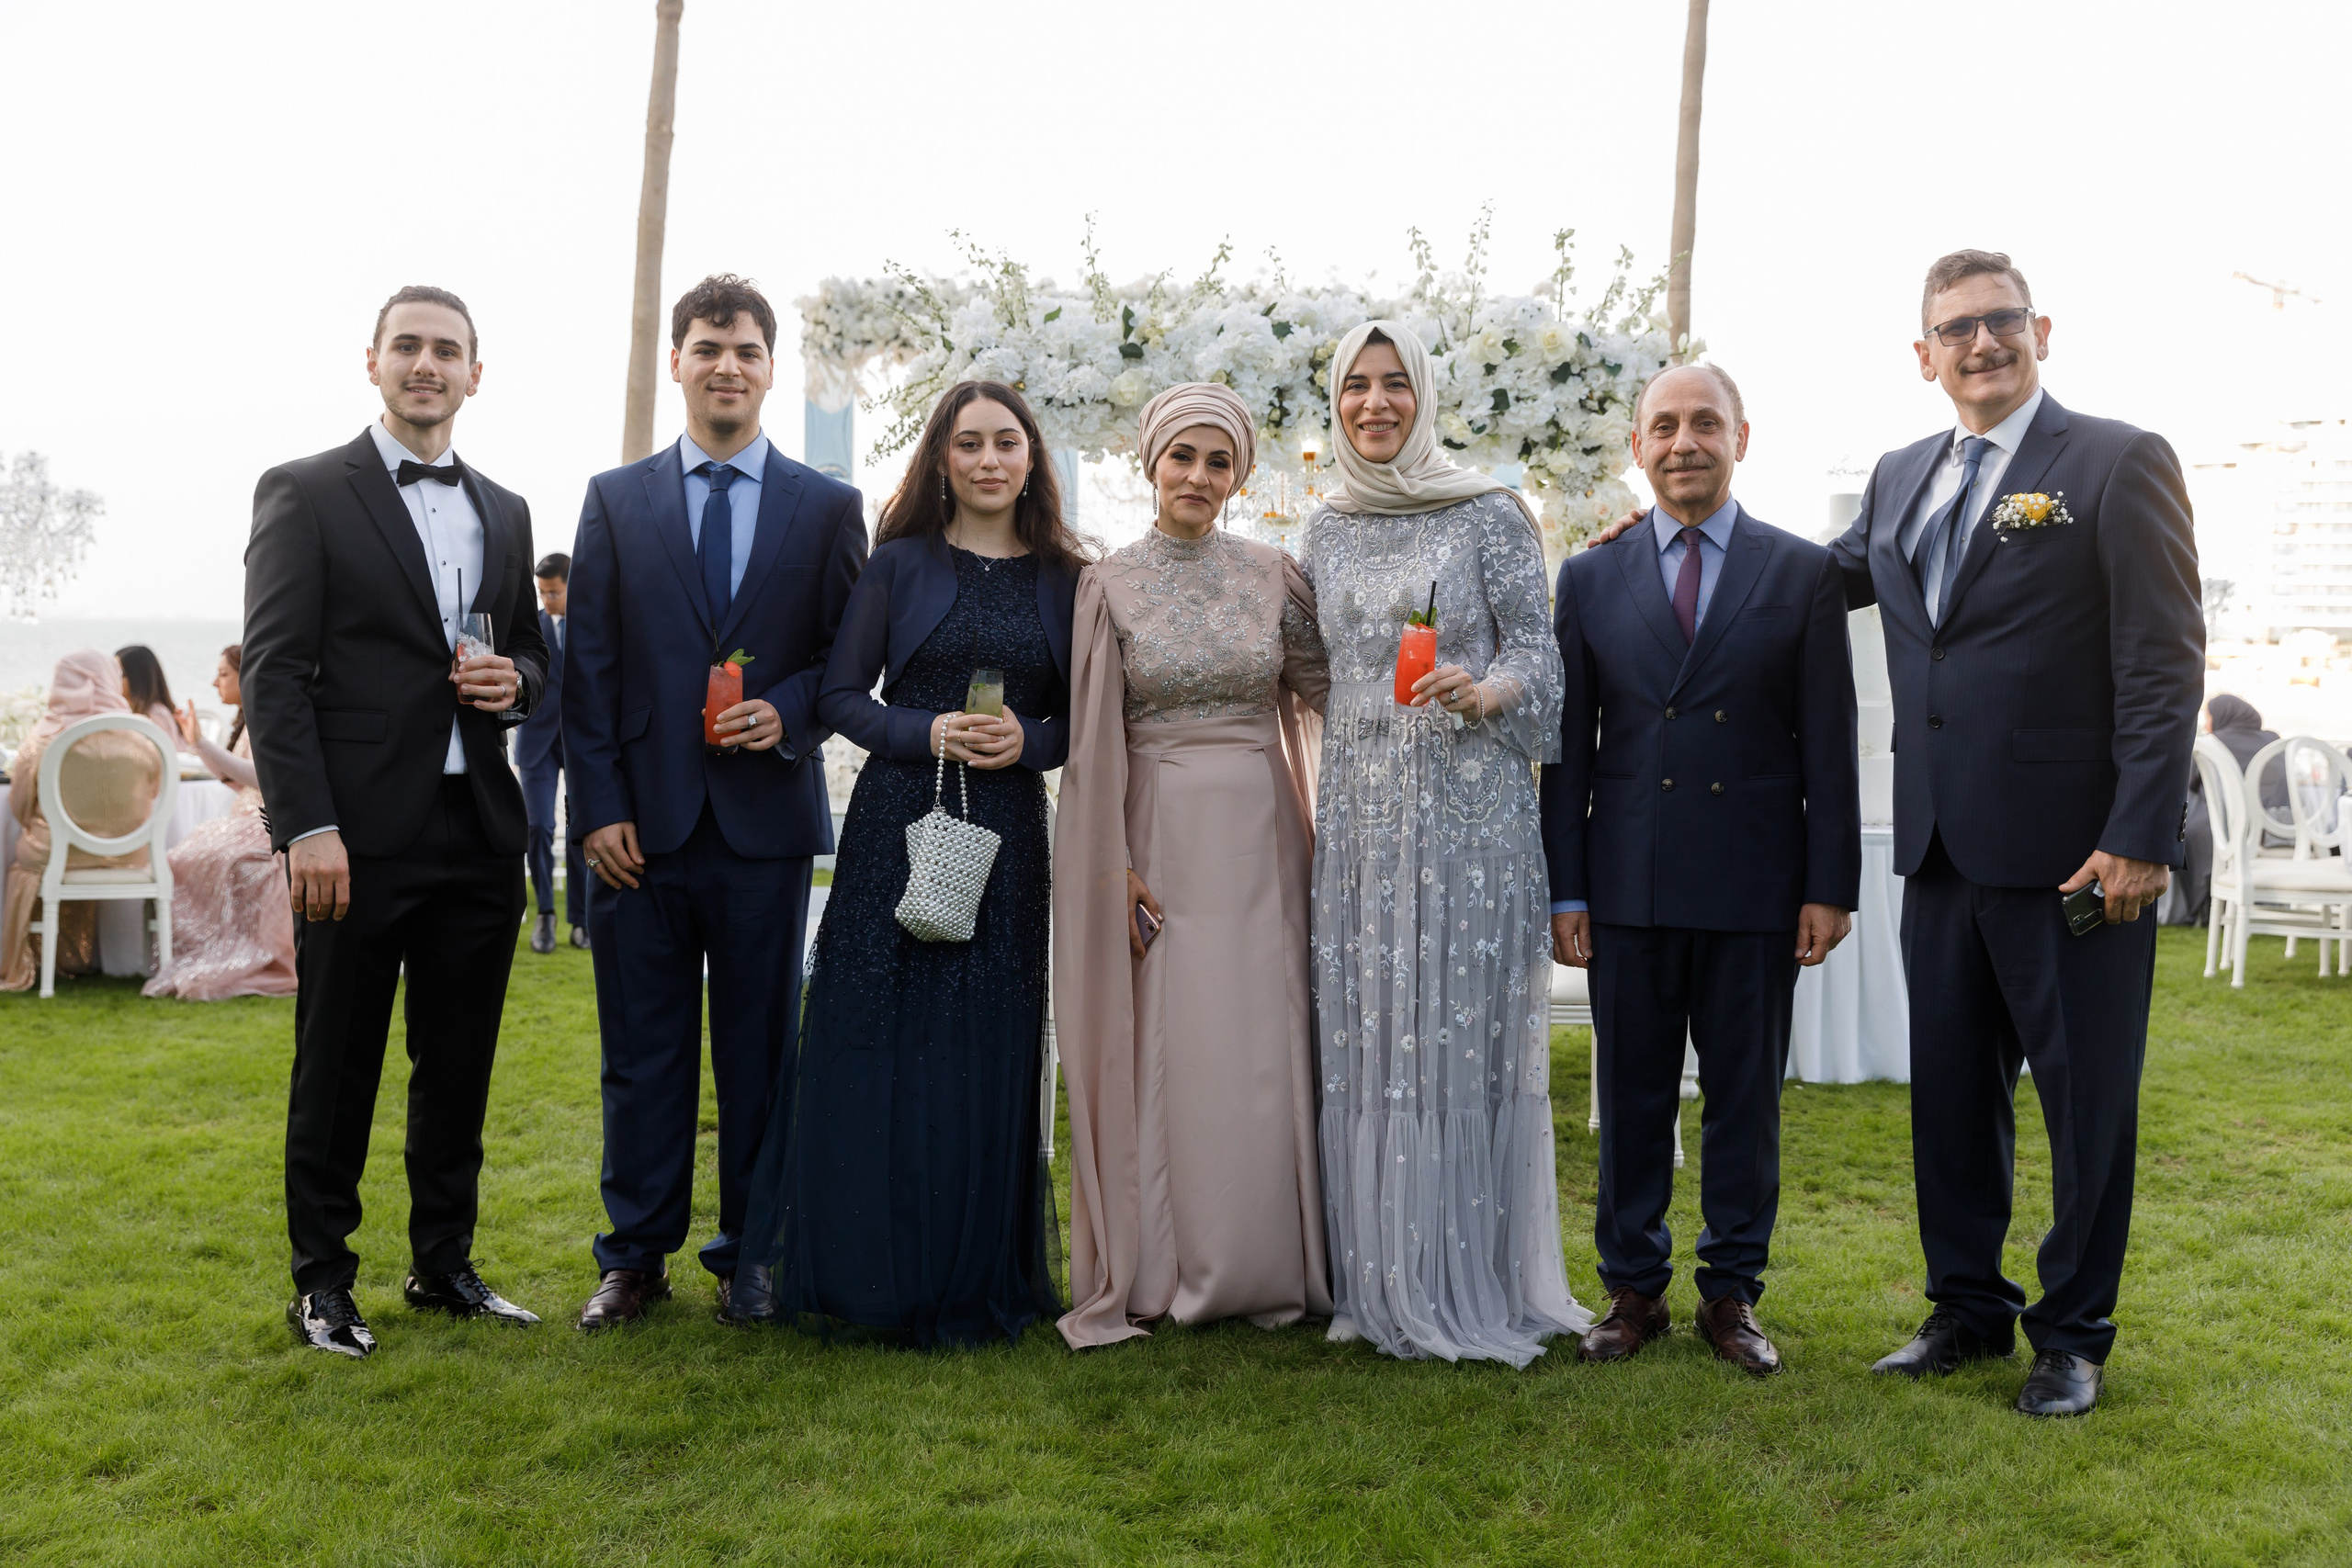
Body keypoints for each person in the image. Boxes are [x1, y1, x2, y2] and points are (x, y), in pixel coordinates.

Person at [726, 380, 1076, 1348]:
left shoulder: (1066, 576)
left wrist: (1031, 742)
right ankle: (866, 1270)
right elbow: (841, 698)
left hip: (1005, 835)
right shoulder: (898, 566)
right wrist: (929, 731)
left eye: (1008, 443)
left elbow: (1087, 717)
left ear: (1032, 459)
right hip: (895, 825)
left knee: (982, 1041)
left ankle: (971, 1272)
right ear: (942, 459)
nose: (990, 460)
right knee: (874, 1035)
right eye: (969, 444)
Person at [243, 284, 551, 1357]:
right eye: (408, 347)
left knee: (457, 1064)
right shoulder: (305, 491)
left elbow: (535, 656)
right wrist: (305, 826)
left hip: (479, 827)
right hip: (356, 835)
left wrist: (517, 680)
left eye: (448, 350)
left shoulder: (506, 511)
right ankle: (322, 1284)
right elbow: (274, 678)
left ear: (477, 372)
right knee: (336, 1065)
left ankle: (444, 1265)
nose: (428, 365)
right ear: (371, 360)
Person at [1541, 364, 1860, 1376]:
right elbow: (1569, 751)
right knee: (1631, 1095)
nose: (1685, 441)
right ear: (1636, 448)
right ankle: (1633, 1290)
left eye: (1704, 424)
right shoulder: (1589, 578)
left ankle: (1732, 1294)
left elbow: (1830, 744)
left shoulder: (1802, 572)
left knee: (1743, 1101)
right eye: (1664, 426)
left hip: (1755, 883)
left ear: (1741, 438)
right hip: (1627, 881)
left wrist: (1830, 884)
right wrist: (1568, 887)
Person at [565, 275, 867, 1330]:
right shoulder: (615, 499)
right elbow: (588, 670)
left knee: (758, 1052)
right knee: (639, 1053)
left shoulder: (828, 508)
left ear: (769, 368)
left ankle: (753, 1252)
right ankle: (632, 1257)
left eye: (744, 349)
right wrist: (596, 809)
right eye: (707, 347)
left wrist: (785, 710)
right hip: (635, 832)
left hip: (761, 827)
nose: (725, 365)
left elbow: (845, 660)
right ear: (680, 364)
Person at [1301, 321, 1589, 1367]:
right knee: (1373, 1042)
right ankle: (1376, 1274)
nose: (1375, 405)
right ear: (1335, 402)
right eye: (1355, 388)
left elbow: (1543, 662)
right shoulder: (1323, 527)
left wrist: (1487, 690)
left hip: (1470, 815)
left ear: (1426, 393)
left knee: (1456, 1044)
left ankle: (1471, 1276)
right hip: (1363, 827)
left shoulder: (1488, 510)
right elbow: (1307, 667)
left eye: (1394, 386)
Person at [1055, 383, 1332, 1348]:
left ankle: (1276, 1258)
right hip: (1158, 831)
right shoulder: (1108, 584)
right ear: (1151, 463)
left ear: (1240, 476)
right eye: (1184, 458)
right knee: (1177, 1044)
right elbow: (1092, 745)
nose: (1199, 478)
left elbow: (1335, 694)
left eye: (1219, 463)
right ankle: (1169, 1261)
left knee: (1265, 1038)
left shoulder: (1272, 576)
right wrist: (1113, 862)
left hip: (1263, 836)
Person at [146, 644, 297, 999]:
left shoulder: (268, 714)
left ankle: (220, 952)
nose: (215, 683)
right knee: (181, 857)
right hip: (243, 819)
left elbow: (260, 778)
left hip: (261, 823)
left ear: (246, 676)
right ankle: (193, 948)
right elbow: (234, 780)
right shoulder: (250, 716)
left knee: (192, 858)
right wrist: (199, 745)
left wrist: (200, 743)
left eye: (224, 674)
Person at [2, 649, 158, 991]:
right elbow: (153, 795)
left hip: (58, 855)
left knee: (27, 852)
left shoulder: (44, 740)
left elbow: (20, 806)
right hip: (131, 855)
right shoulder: (142, 735)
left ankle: (39, 957)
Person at [515, 551, 585, 953]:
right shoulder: (531, 627)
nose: (547, 600)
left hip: (578, 741)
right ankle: (545, 914)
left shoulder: (592, 625)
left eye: (554, 592)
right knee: (538, 827)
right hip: (536, 742)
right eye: (542, 592)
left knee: (581, 831)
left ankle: (581, 920)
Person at [116, 644, 194, 756]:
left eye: (120, 674)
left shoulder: (154, 714)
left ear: (137, 678)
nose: (112, 678)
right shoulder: (127, 709)